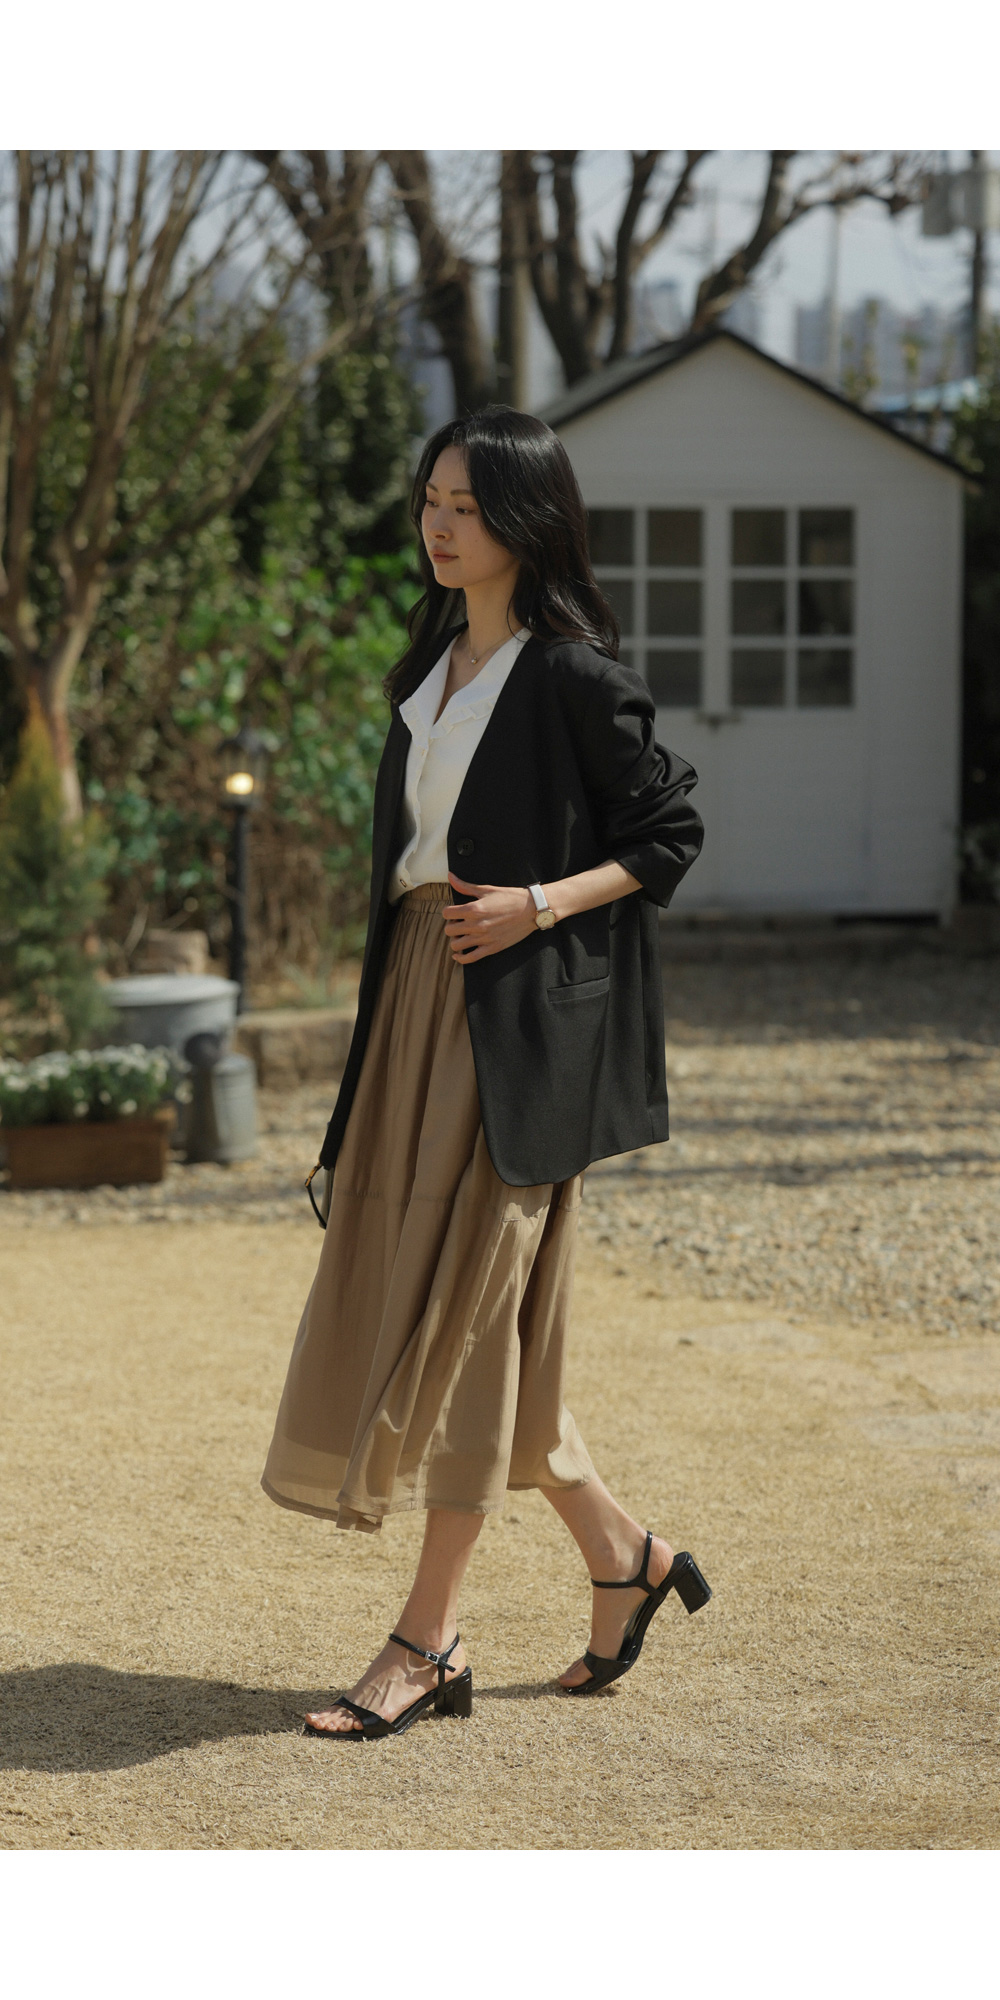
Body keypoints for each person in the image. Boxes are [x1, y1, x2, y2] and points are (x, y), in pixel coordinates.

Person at [261, 406, 710, 1741]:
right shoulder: (432, 660)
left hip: (510, 1031)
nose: (439, 525)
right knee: (471, 1319)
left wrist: (539, 904)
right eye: (430, 501)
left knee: (464, 1321)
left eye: (465, 504)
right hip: (414, 996)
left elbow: (670, 833)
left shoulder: (571, 675)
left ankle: (429, 1637)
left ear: (527, 518)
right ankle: (625, 1559)